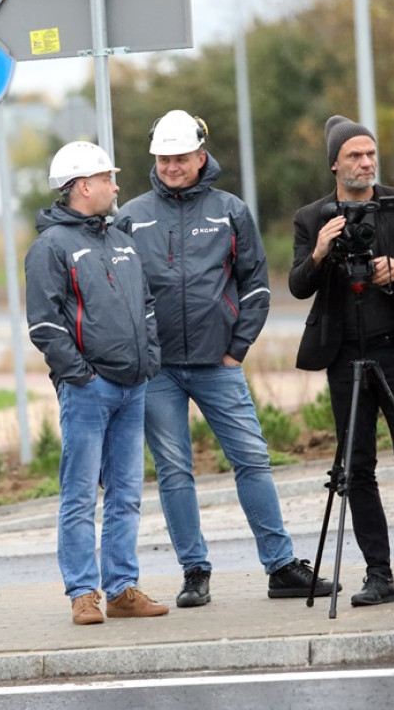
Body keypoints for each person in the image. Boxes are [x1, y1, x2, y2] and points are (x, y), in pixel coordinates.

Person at [115, 110, 334, 607]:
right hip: (160, 370)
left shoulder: (230, 210)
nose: (171, 166)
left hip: (220, 363)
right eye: (163, 158)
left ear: (200, 156)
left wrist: (238, 349)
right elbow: (120, 294)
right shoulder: (131, 215)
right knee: (174, 471)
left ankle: (280, 567)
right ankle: (195, 572)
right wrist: (142, 355)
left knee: (252, 459)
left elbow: (256, 284)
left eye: (180, 158)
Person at [288, 115, 394, 606]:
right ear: (334, 163)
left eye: (370, 153)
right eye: (354, 155)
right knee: (357, 471)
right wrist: (318, 252)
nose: (365, 162)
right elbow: (297, 286)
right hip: (344, 356)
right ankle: (379, 574)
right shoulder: (312, 217)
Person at [25, 141, 168, 625]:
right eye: (108, 178)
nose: (116, 185)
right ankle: (83, 593)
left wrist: (149, 361)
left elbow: (146, 305)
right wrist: (80, 375)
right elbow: (44, 325)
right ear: (83, 186)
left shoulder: (121, 238)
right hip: (89, 389)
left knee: (127, 492)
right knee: (81, 494)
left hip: (134, 385)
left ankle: (122, 588)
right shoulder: (51, 247)